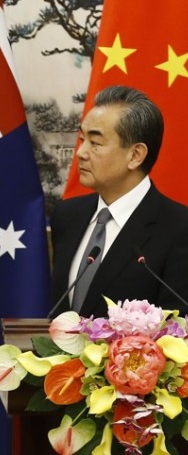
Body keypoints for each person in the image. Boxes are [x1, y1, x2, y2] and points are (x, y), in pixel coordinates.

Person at [49, 85, 188, 319]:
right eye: (82, 139)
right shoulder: (68, 215)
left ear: (135, 155)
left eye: (95, 143)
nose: (81, 153)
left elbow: (178, 329)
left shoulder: (179, 228)